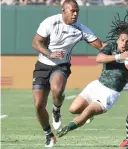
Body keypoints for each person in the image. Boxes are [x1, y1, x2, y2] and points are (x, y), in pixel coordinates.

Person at [31, 0, 106, 147]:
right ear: (63, 11)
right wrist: (49, 53)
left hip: (62, 65)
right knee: (39, 105)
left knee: (57, 90)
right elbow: (35, 43)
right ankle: (49, 135)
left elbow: (101, 45)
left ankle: (56, 109)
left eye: (77, 11)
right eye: (73, 11)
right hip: (42, 66)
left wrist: (120, 49)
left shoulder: (80, 28)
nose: (76, 14)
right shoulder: (50, 22)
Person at [56, 11, 128, 139]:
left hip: (109, 93)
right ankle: (88, 117)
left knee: (88, 111)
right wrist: (118, 56)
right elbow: (99, 58)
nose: (124, 43)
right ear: (118, 40)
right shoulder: (111, 47)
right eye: (122, 40)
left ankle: (69, 127)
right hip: (96, 85)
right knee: (73, 109)